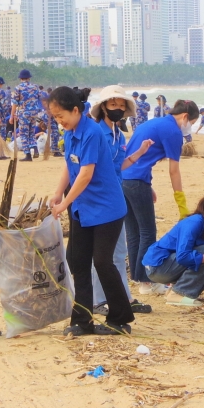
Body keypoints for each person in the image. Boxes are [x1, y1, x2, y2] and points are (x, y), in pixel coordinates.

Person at [48, 86, 135, 336]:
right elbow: (69, 166)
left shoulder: (92, 133)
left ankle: (120, 318)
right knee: (78, 261)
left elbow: (85, 174)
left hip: (107, 208)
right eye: (55, 117)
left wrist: (64, 204)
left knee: (103, 262)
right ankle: (82, 320)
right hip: (83, 209)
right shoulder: (71, 132)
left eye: (61, 115)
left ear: (76, 110)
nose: (59, 121)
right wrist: (58, 193)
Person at [121, 99, 200, 295]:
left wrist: (148, 185)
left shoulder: (153, 123)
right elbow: (174, 171)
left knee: (133, 232)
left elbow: (141, 156)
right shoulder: (173, 131)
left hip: (124, 178)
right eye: (192, 122)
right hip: (137, 181)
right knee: (147, 231)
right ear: (185, 117)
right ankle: (147, 280)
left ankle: (138, 279)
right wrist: (181, 203)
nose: (189, 127)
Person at [87, 86, 149, 316]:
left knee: (119, 250)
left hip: (115, 197)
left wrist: (140, 152)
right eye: (113, 105)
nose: (118, 109)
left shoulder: (118, 135)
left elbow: (118, 166)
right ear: (103, 107)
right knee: (102, 252)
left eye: (121, 106)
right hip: (99, 198)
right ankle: (97, 299)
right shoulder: (96, 133)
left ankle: (122, 295)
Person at [10, 69, 45, 161]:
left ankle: (28, 154)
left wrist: (12, 115)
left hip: (24, 113)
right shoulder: (35, 87)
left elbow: (14, 103)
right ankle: (35, 147)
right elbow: (41, 98)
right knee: (31, 132)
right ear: (29, 77)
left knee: (24, 134)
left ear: (20, 78)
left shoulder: (18, 88)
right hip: (34, 113)